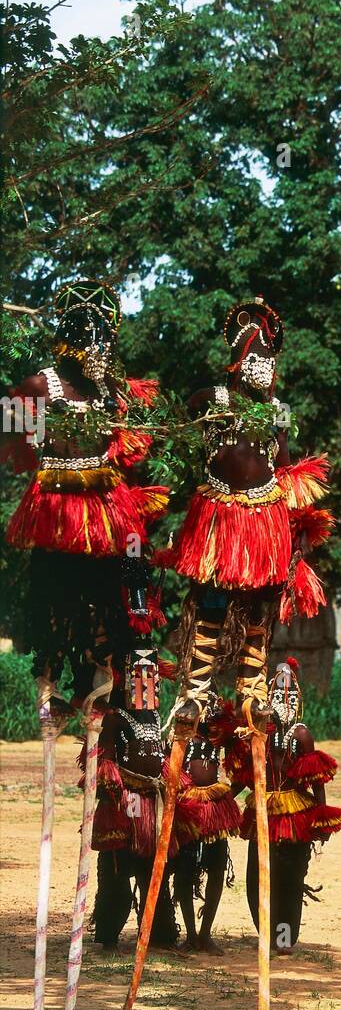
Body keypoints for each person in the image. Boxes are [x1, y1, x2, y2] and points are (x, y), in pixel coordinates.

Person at [158, 295, 331, 730]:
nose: (263, 364)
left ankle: (252, 685)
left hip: (266, 517)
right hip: (219, 516)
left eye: (269, 356)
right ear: (237, 357)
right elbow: (179, 445)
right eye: (255, 354)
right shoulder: (209, 400)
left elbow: (287, 468)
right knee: (213, 599)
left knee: (260, 604)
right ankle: (197, 687)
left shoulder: (278, 412)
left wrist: (301, 524)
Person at [4, 280, 167, 714]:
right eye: (94, 342)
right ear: (72, 341)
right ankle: (50, 681)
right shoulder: (38, 387)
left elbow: (132, 459)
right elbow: (16, 444)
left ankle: (106, 680)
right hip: (57, 512)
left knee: (115, 597)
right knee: (54, 599)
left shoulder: (114, 396)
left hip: (107, 513)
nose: (101, 352)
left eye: (107, 343)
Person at [229, 660, 341, 953]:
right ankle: (266, 934)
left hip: (295, 815)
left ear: (298, 700)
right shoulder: (258, 733)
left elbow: (317, 781)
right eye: (278, 695)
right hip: (263, 813)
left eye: (290, 696)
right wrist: (224, 801)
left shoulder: (302, 735)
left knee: (290, 879)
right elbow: (245, 776)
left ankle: (283, 940)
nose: (284, 701)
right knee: (258, 877)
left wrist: (321, 817)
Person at [89, 647, 176, 949]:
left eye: (150, 678)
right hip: (126, 805)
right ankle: (109, 933)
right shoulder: (115, 719)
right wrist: (115, 789)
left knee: (153, 872)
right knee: (118, 871)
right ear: (127, 681)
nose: (145, 685)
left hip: (153, 802)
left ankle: (157, 933)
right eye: (139, 678)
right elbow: (105, 760)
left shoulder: (156, 718)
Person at [172, 695, 243, 954]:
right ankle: (190, 934)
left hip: (214, 811)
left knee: (217, 868)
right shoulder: (179, 733)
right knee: (184, 871)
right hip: (187, 810)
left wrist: (224, 796)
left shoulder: (221, 738)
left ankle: (205, 934)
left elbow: (243, 768)